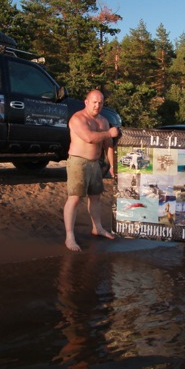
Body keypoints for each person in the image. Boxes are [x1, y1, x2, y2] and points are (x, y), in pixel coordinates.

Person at [63, 90, 120, 252]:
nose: (97, 105)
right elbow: (88, 137)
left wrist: (112, 165)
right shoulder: (78, 118)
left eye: (100, 102)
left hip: (95, 163)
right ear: (86, 102)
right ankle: (69, 236)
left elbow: (108, 144)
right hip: (77, 162)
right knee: (74, 198)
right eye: (94, 102)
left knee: (95, 197)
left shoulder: (103, 121)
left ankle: (98, 228)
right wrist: (109, 132)